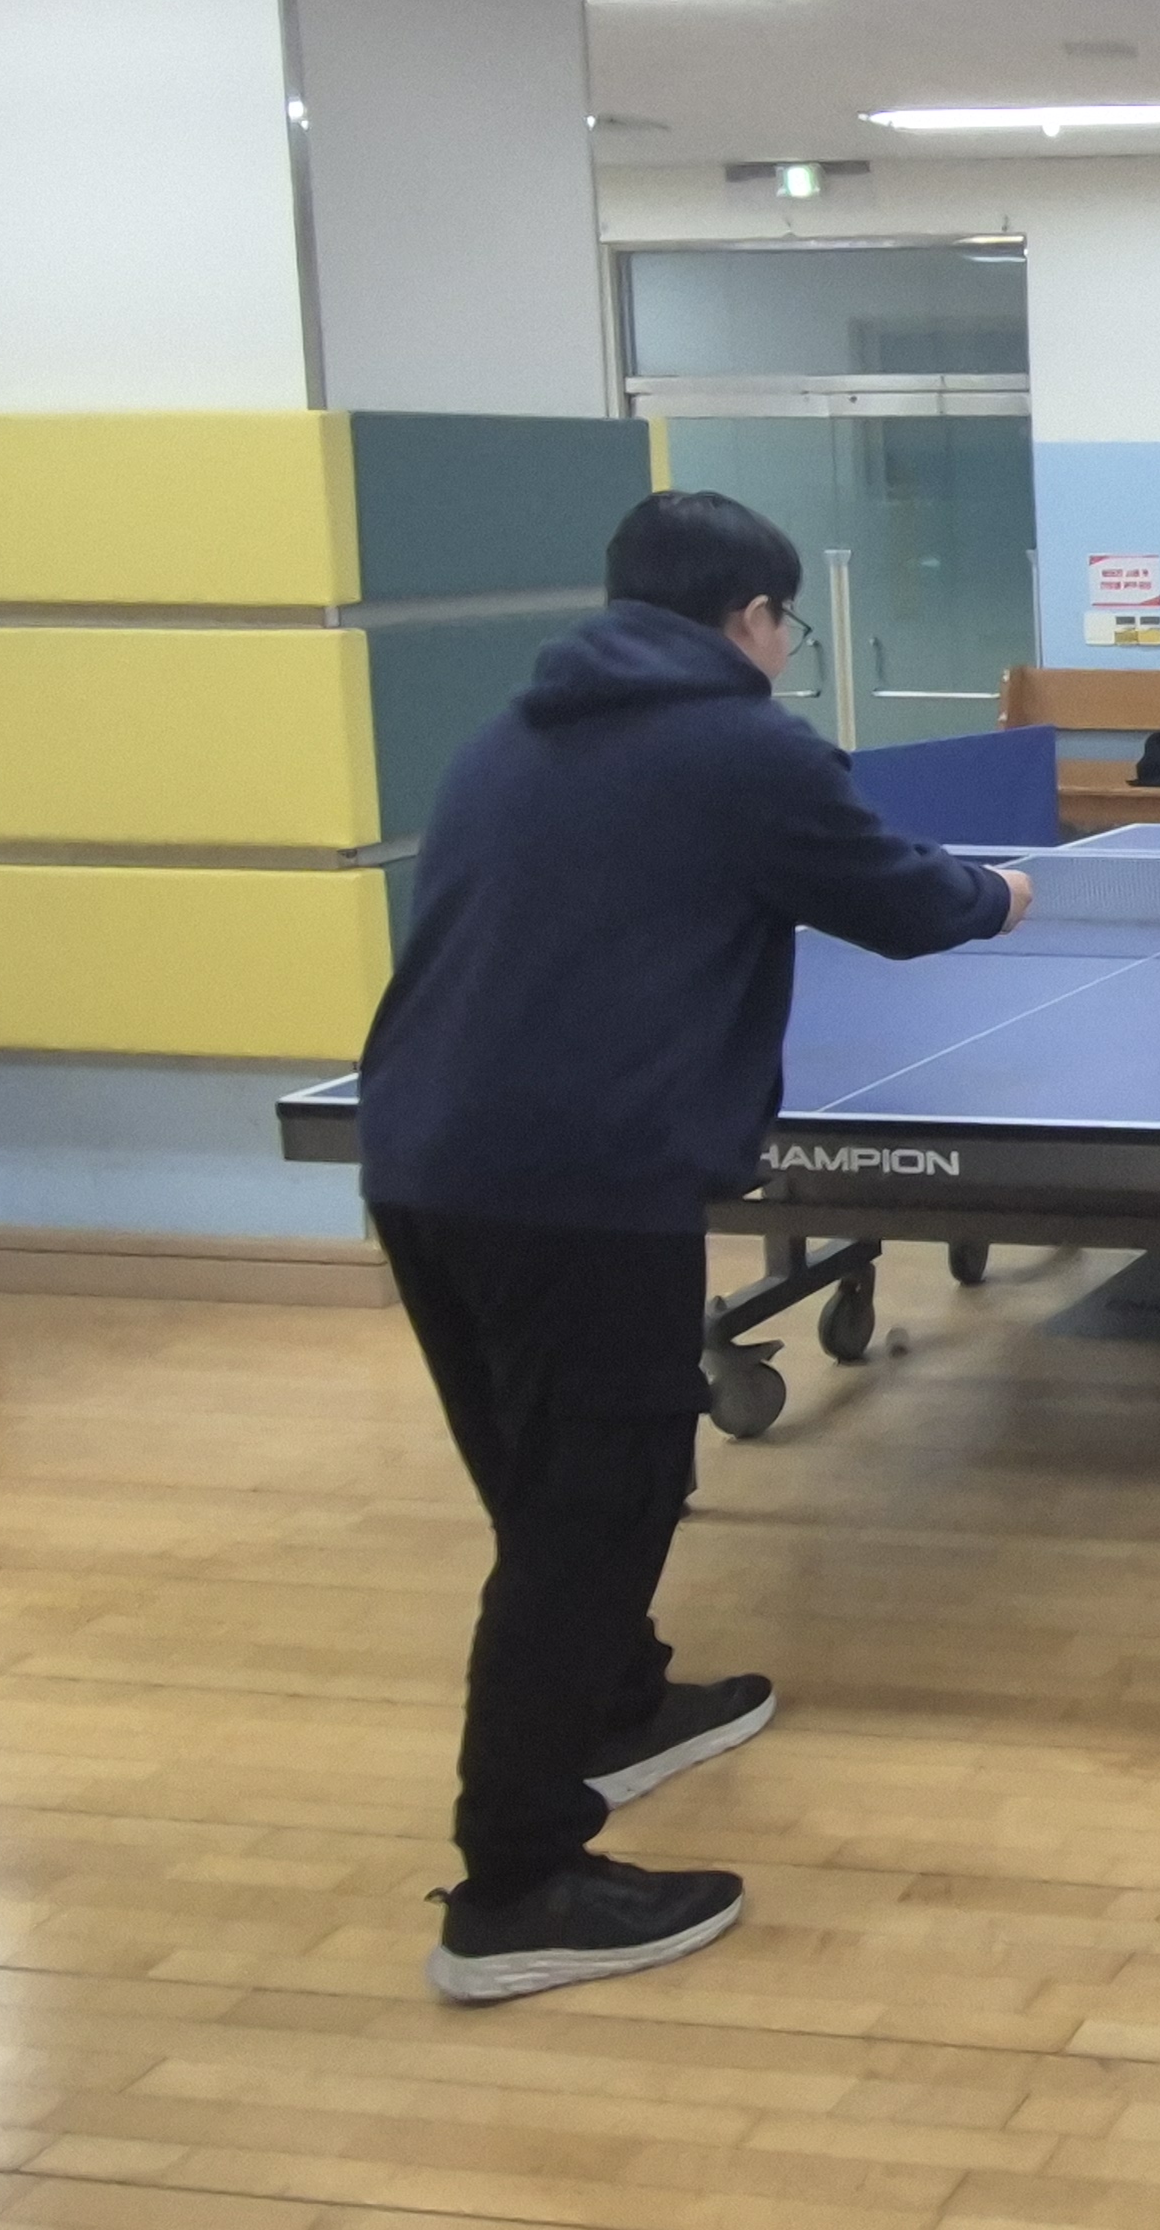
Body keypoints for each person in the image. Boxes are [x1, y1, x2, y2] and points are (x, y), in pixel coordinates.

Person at [357, 491, 1031, 2006]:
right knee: (589, 1514)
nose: (785, 650)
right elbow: (905, 901)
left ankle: (615, 1701)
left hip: (420, 1162)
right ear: (754, 618)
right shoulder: (743, 744)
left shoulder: (507, 732)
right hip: (578, 1182)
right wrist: (1002, 894)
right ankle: (514, 1883)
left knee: (548, 1487)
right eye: (787, 627)